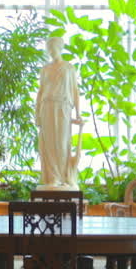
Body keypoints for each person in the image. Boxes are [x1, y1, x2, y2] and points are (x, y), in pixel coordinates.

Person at [35, 36, 82, 187]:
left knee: (62, 143)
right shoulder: (45, 69)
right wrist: (37, 113)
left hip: (63, 107)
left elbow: (75, 90)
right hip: (46, 107)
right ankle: (52, 178)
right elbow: (40, 91)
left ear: (60, 49)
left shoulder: (69, 68)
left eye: (53, 48)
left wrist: (78, 113)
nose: (51, 52)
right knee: (48, 144)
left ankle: (63, 177)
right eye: (49, 49)